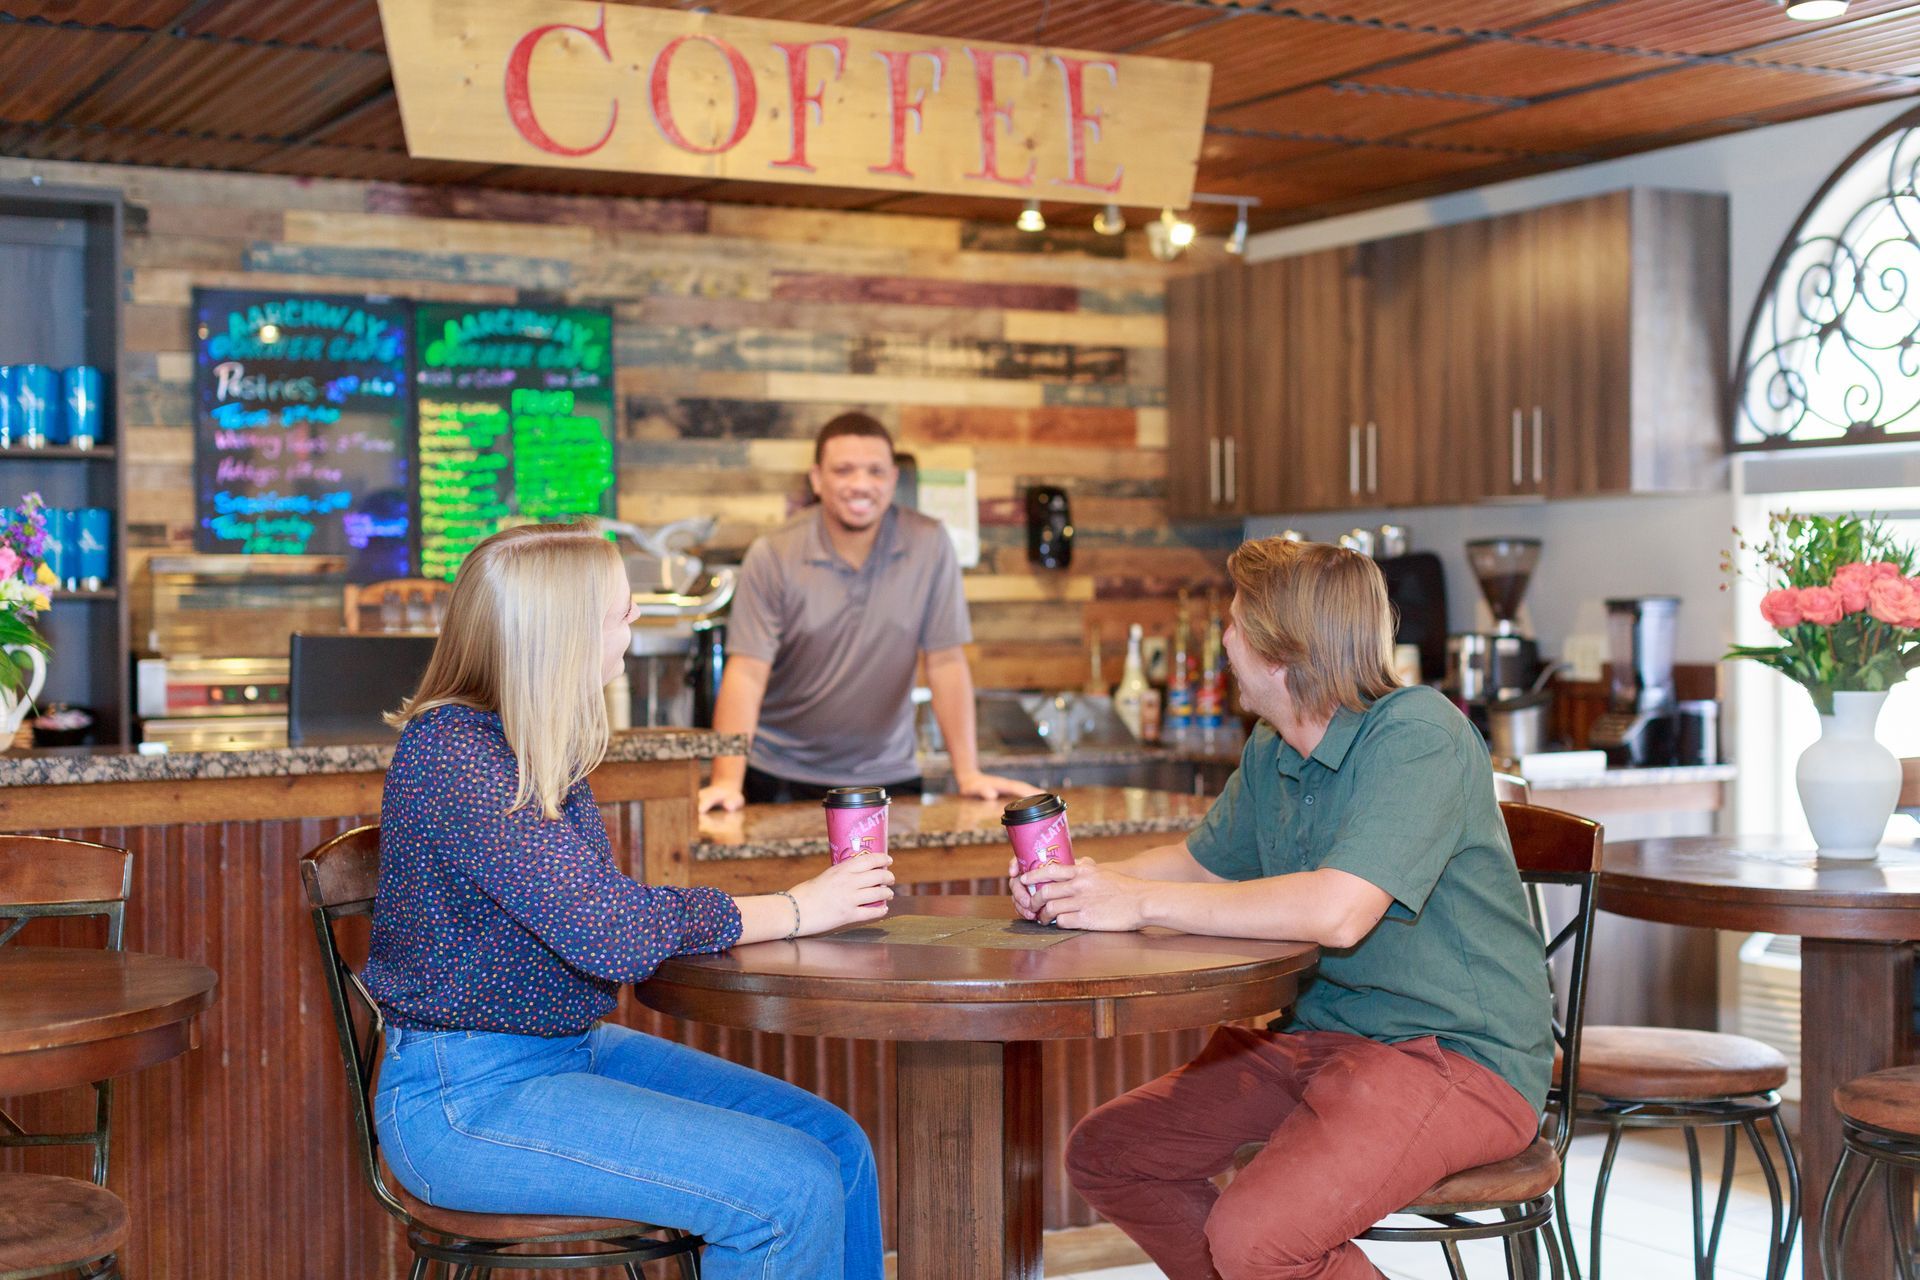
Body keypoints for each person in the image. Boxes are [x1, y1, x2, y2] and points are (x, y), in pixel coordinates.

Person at [1012, 537, 1552, 1280]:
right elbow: (1198, 865)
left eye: (1233, 623)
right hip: (1318, 1036)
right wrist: (1076, 886)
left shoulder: (1420, 734)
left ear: (1279, 652)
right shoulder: (1272, 746)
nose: (1223, 641)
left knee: (1257, 1239)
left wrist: (1134, 902)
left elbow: (1339, 912)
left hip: (1455, 1058)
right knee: (1113, 1155)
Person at [364, 521, 892, 1280]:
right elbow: (608, 929)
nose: (637, 625)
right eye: (623, 612)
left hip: (564, 1051)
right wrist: (800, 908)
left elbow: (606, 916)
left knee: (837, 1149)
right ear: (562, 633)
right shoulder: (454, 754)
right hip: (462, 1098)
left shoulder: (530, 743)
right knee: (789, 1190)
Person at [699, 412, 1029, 811]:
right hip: (781, 776)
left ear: (893, 479)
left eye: (875, 471)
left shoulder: (929, 544)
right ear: (817, 479)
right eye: (844, 470)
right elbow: (747, 673)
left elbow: (945, 661)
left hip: (889, 777)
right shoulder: (773, 553)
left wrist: (969, 773)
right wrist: (726, 781)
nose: (861, 484)